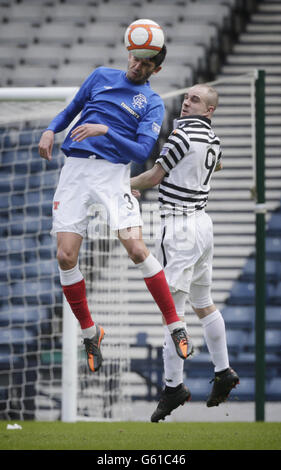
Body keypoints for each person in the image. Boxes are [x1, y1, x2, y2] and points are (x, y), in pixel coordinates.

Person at [38, 41, 193, 375]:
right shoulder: (100, 76)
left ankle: (175, 323)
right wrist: (52, 129)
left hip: (113, 174)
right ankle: (90, 332)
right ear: (130, 54)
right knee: (65, 257)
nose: (137, 65)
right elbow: (71, 110)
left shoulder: (152, 103)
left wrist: (105, 130)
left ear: (157, 69)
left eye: (146, 63)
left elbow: (141, 153)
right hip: (75, 171)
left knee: (137, 249)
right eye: (136, 58)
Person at [130, 83, 240, 422]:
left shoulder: (182, 136)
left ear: (209, 110)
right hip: (203, 225)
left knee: (172, 312)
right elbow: (215, 167)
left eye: (195, 100)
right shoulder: (213, 139)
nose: (186, 102)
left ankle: (174, 387)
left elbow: (153, 177)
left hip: (178, 226)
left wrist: (123, 186)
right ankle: (223, 371)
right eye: (187, 97)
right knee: (204, 304)